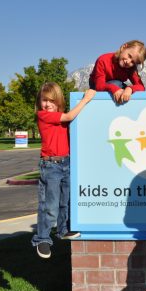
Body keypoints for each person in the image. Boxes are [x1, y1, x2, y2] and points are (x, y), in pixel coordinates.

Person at [31, 82, 96, 259]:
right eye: (44, 100)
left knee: (65, 201)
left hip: (66, 163)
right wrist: (86, 100)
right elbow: (68, 117)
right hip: (50, 165)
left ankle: (63, 230)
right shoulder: (43, 115)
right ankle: (42, 238)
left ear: (58, 101)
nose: (47, 104)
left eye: (51, 101)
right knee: (49, 205)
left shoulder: (57, 115)